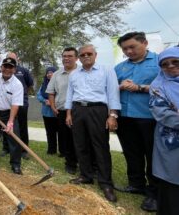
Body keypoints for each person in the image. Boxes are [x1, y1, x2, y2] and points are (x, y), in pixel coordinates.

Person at [65, 44, 120, 202]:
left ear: (96, 55)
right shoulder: (74, 74)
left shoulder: (106, 70)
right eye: (82, 55)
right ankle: (86, 175)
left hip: (98, 110)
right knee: (80, 145)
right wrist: (69, 113)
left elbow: (113, 93)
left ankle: (105, 183)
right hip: (78, 110)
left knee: (100, 146)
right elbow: (70, 94)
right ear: (79, 58)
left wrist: (113, 115)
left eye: (89, 54)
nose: (86, 56)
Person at [115, 32, 159, 211]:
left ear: (145, 43)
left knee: (153, 156)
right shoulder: (119, 68)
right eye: (125, 49)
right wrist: (119, 86)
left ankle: (154, 193)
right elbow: (110, 89)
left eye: (132, 47)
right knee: (132, 153)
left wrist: (140, 87)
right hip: (125, 117)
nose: (128, 51)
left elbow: (169, 85)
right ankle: (136, 184)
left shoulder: (160, 62)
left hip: (150, 117)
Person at [149, 46, 179, 215]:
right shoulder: (158, 86)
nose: (170, 66)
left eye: (176, 61)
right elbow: (162, 113)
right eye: (165, 64)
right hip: (171, 142)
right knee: (171, 186)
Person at [0, 57, 24, 174]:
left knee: (14, 140)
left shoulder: (17, 84)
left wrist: (11, 122)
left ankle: (15, 164)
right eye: (5, 66)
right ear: (1, 67)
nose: (7, 69)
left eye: (10, 67)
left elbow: (15, 105)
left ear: (14, 69)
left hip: (9, 114)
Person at [46, 47, 79, 174]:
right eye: (64, 56)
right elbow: (50, 92)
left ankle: (86, 164)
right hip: (62, 111)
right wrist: (53, 107)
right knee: (67, 139)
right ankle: (70, 164)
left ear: (76, 58)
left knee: (81, 138)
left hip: (79, 110)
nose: (66, 58)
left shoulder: (82, 71)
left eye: (70, 56)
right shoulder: (56, 74)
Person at [1, 52, 33, 160]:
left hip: (22, 103)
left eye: (12, 59)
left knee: (22, 126)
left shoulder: (23, 71)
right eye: (8, 58)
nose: (10, 61)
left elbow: (29, 84)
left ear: (17, 59)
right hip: (8, 104)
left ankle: (24, 150)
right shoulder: (3, 71)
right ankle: (6, 148)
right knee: (6, 126)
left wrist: (22, 95)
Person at [36, 67, 59, 155]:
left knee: (61, 133)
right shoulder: (43, 84)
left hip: (57, 112)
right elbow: (38, 95)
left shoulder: (59, 84)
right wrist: (45, 101)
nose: (49, 74)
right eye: (48, 73)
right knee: (50, 132)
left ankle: (63, 151)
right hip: (46, 113)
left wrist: (53, 102)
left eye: (51, 72)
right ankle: (51, 150)